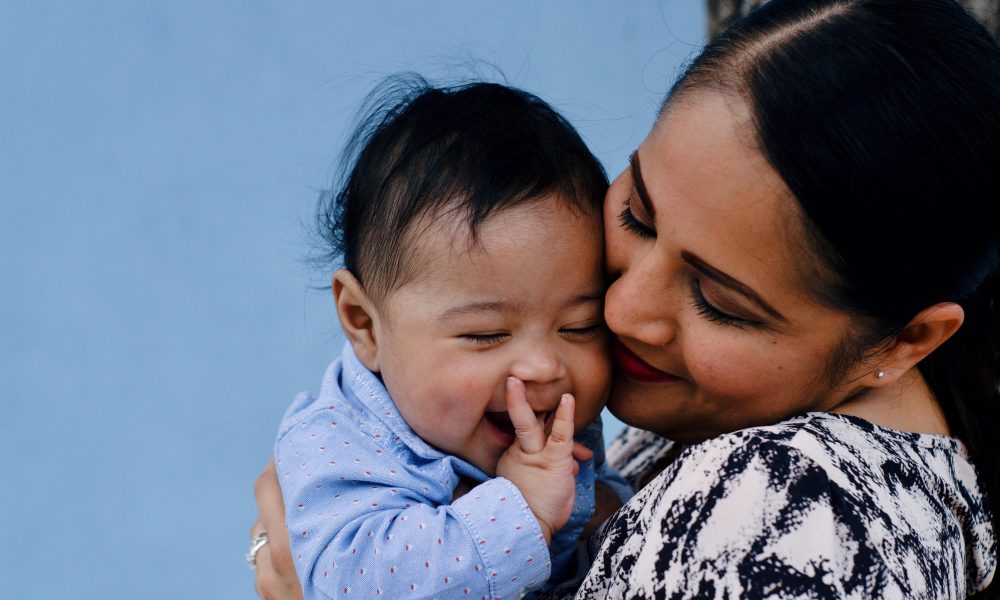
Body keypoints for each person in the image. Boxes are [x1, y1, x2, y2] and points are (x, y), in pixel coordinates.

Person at [251, 0, 1000, 597]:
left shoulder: (796, 523)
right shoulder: (704, 418)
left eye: (717, 298)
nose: (619, 311)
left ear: (907, 341)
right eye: (637, 213)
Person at [263, 79, 632, 600]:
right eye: (485, 334)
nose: (545, 366)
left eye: (580, 326)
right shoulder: (338, 444)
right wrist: (519, 510)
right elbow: (351, 584)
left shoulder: (546, 419)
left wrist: (605, 512)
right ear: (363, 323)